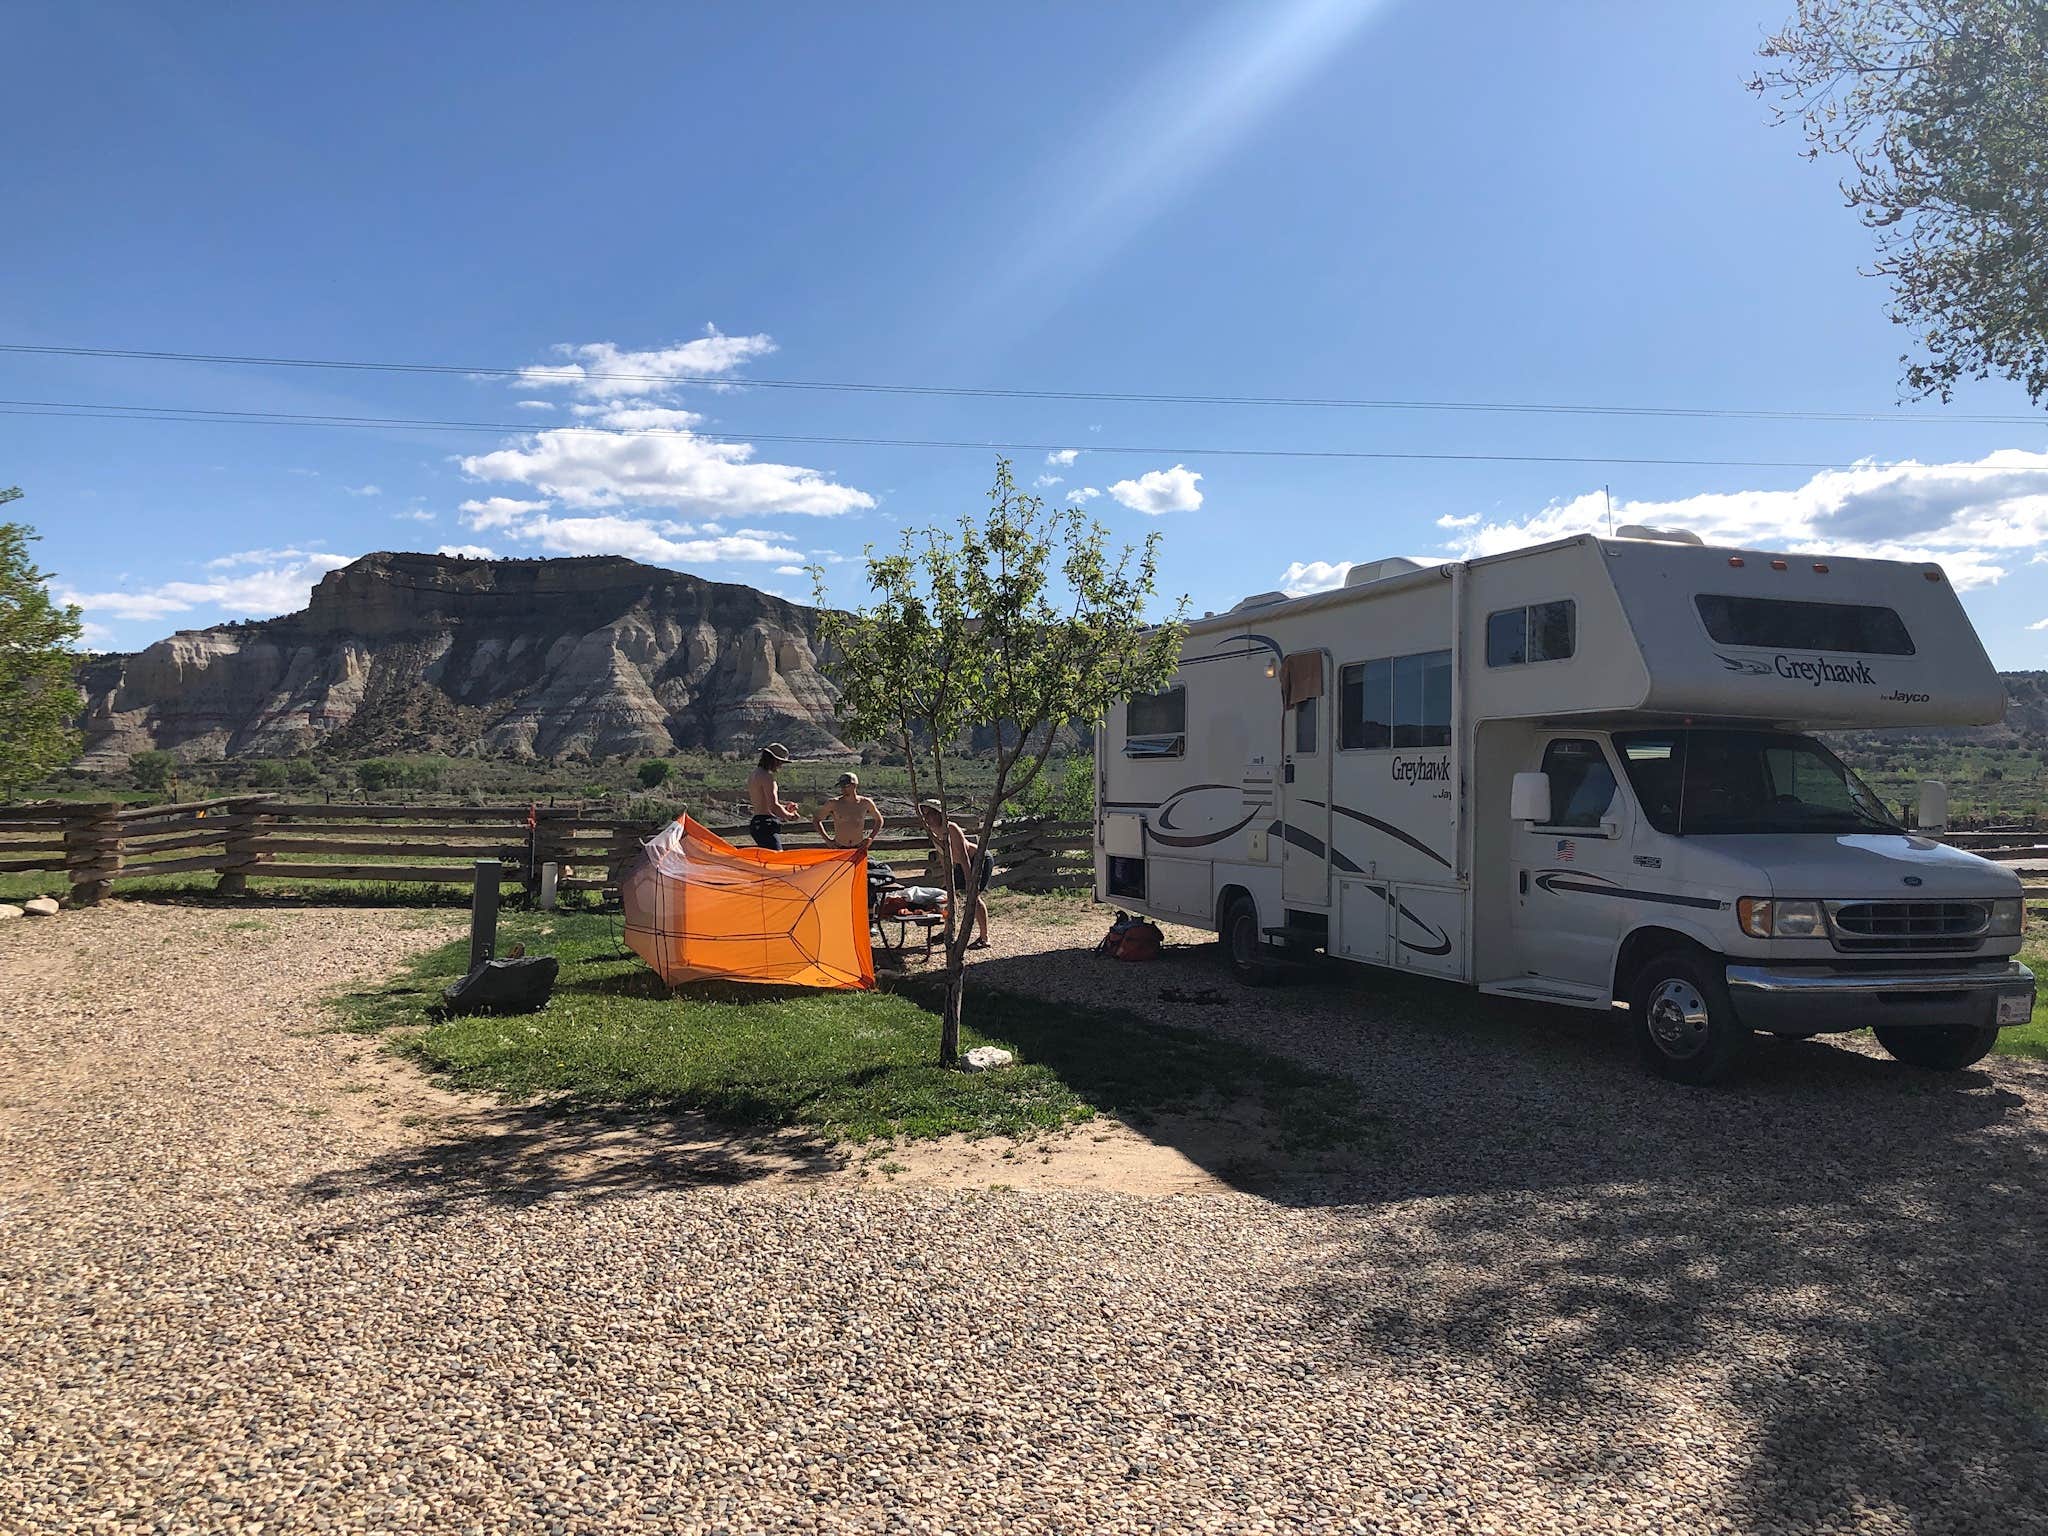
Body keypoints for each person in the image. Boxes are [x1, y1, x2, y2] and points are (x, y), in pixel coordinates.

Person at [918, 799, 991, 949]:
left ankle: (985, 938)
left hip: (978, 859)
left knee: (974, 897)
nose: (927, 818)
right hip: (960, 864)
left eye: (930, 814)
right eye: (925, 815)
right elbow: (943, 857)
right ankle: (948, 931)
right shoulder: (933, 831)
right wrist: (947, 879)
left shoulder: (951, 829)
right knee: (947, 895)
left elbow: (964, 857)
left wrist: (970, 881)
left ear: (939, 814)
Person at [746, 743, 800, 849]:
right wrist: (790, 816)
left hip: (758, 823)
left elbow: (764, 804)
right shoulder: (767, 777)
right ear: (774, 760)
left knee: (767, 861)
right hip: (766, 824)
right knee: (776, 859)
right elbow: (773, 806)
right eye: (781, 762)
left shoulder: (754, 775)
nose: (780, 766)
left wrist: (785, 808)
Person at [814, 772, 884, 850]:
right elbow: (817, 820)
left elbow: (879, 819)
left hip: (858, 847)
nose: (843, 789)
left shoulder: (865, 803)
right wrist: (827, 840)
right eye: (841, 786)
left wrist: (871, 838)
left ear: (854, 785)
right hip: (839, 847)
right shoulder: (833, 803)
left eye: (846, 786)